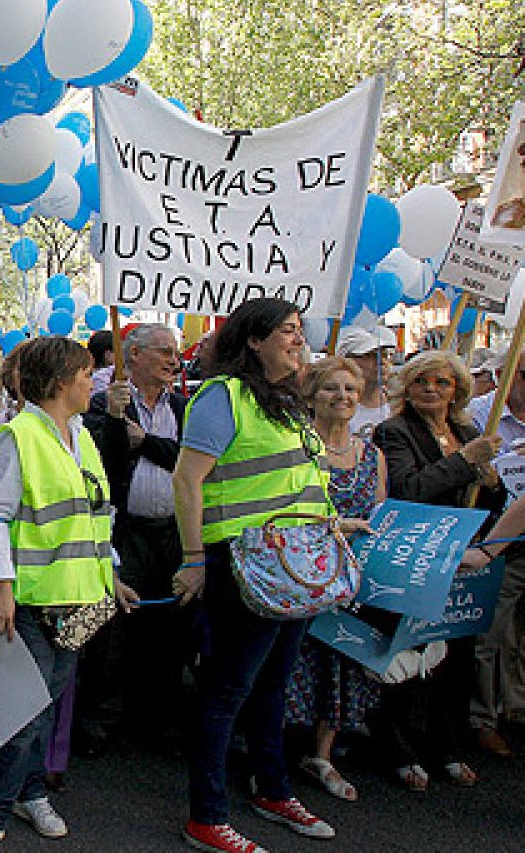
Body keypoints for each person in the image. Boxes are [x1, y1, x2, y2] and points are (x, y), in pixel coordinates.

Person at [172, 298, 357, 853]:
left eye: (300, 331)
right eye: (287, 331)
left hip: (296, 566)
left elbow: (299, 480)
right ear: (254, 340)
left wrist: (329, 522)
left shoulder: (287, 402)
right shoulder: (222, 397)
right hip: (244, 565)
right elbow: (187, 481)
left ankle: (270, 789)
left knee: (273, 686)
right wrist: (193, 559)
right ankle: (207, 817)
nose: (299, 340)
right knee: (227, 690)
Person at [0, 337, 134, 853]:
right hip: (30, 600)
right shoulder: (19, 436)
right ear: (58, 382)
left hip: (79, 599)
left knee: (45, 708)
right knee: (19, 713)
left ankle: (30, 794)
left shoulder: (82, 435)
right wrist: (2, 588)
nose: (92, 381)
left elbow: (98, 515)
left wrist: (111, 574)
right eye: (85, 373)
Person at [373, 350, 503, 790]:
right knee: (410, 655)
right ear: (407, 388)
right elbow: (408, 490)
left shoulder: (469, 432)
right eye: (421, 381)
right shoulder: (393, 432)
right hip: (417, 556)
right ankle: (400, 750)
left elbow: (492, 501)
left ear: (457, 391)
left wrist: (491, 481)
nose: (431, 389)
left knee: (455, 658)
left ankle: (445, 745)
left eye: (441, 382)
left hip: (460, 558)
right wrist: (464, 462)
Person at [287, 358, 386, 801]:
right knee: (295, 665)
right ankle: (275, 753)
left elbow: (381, 514)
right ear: (311, 396)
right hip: (302, 574)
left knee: (341, 664)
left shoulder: (372, 455)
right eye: (331, 388)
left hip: (352, 581)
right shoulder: (297, 446)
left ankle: (322, 755)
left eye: (349, 388)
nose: (342, 397)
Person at [88, 323, 191, 738]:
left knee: (169, 625)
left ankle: (161, 718)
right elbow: (103, 463)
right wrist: (116, 423)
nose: (173, 360)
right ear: (133, 355)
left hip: (172, 532)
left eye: (175, 352)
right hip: (125, 531)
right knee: (114, 625)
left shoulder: (183, 406)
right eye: (164, 351)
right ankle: (104, 719)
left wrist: (146, 441)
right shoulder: (107, 401)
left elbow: (190, 460)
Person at [465, 340, 525, 756]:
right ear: (505, 374)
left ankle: (523, 710)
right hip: (502, 535)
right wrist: (489, 550)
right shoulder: (478, 413)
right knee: (489, 632)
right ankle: (482, 718)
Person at [336, 326, 396, 437]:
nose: (381, 361)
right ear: (348, 360)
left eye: (385, 355)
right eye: (370, 355)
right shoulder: (335, 408)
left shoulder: (400, 404)